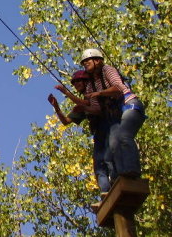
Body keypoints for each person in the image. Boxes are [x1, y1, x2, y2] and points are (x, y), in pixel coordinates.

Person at [80, 48, 146, 181]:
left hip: (130, 105)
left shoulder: (107, 70)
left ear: (97, 60)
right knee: (113, 145)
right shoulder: (92, 84)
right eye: (84, 62)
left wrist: (100, 93)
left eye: (88, 61)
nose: (85, 64)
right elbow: (96, 108)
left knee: (123, 135)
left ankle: (132, 170)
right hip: (118, 114)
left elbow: (118, 87)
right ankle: (121, 176)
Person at [48, 70, 111, 193]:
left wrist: (66, 92)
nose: (76, 84)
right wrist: (56, 108)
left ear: (87, 81)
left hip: (109, 126)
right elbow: (66, 121)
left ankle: (116, 181)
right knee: (99, 165)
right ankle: (105, 192)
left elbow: (87, 104)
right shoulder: (81, 105)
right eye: (74, 82)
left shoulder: (95, 93)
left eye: (79, 81)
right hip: (98, 133)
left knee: (110, 157)